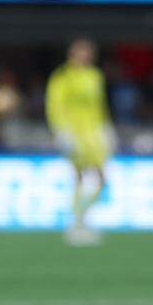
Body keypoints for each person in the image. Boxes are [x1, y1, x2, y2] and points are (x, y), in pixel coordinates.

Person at [46, 39, 114, 246]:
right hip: (74, 135)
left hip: (94, 136)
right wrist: (60, 132)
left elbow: (100, 105)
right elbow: (54, 105)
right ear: (72, 54)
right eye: (80, 52)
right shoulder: (63, 77)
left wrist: (107, 128)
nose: (85, 56)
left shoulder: (95, 76)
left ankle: (81, 218)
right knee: (78, 178)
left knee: (101, 179)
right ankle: (77, 225)